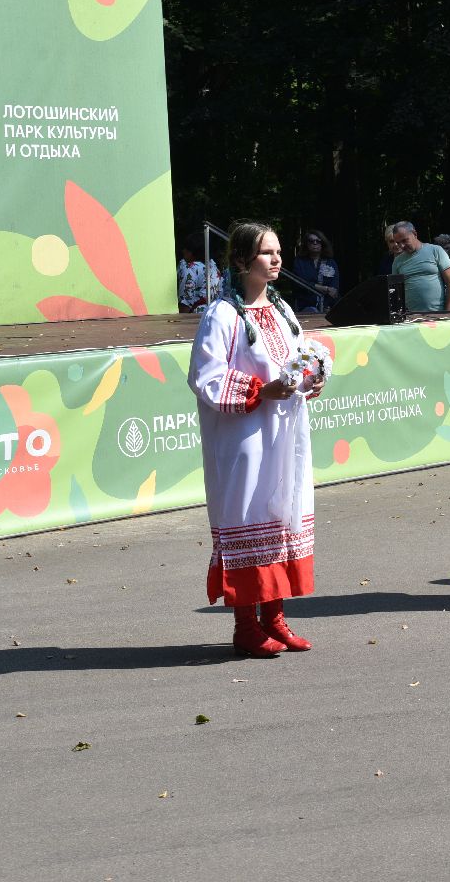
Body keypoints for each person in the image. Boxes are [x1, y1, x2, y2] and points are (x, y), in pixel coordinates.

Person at [187, 222, 325, 657]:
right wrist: (259, 391)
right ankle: (246, 626)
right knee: (249, 516)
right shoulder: (223, 314)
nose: (277, 259)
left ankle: (275, 618)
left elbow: (300, 357)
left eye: (279, 251)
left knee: (282, 513)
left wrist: (311, 378)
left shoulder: (283, 311)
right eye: (267, 253)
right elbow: (205, 377)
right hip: (244, 437)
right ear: (243, 260)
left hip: (284, 434)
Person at [389, 221, 450, 313]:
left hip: (439, 315)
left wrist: (448, 313)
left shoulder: (436, 250)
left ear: (415, 234)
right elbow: (396, 291)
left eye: (404, 240)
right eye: (398, 243)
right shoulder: (397, 261)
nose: (401, 246)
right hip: (411, 318)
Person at [289, 229, 341, 314]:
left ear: (323, 243)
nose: (315, 243)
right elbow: (300, 284)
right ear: (306, 244)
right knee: (312, 311)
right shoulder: (300, 262)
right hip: (305, 306)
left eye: (318, 241)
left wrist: (327, 306)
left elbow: (334, 288)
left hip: (328, 306)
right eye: (311, 241)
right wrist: (325, 288)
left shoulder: (331, 262)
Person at [177, 232, 220, 313]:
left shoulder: (190, 269)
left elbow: (185, 303)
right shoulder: (213, 267)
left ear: (192, 251)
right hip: (214, 313)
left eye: (186, 248)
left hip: (195, 318)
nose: (183, 251)